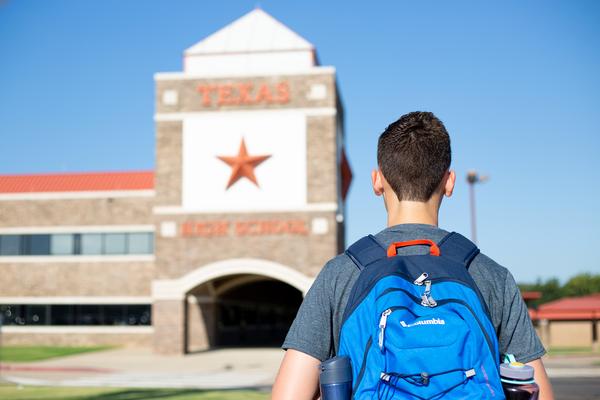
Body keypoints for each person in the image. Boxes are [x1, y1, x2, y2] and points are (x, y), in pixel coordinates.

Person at [271, 111, 554, 400]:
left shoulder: (342, 273)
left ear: (377, 181)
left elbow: (288, 395)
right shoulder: (490, 275)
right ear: (450, 182)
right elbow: (537, 391)